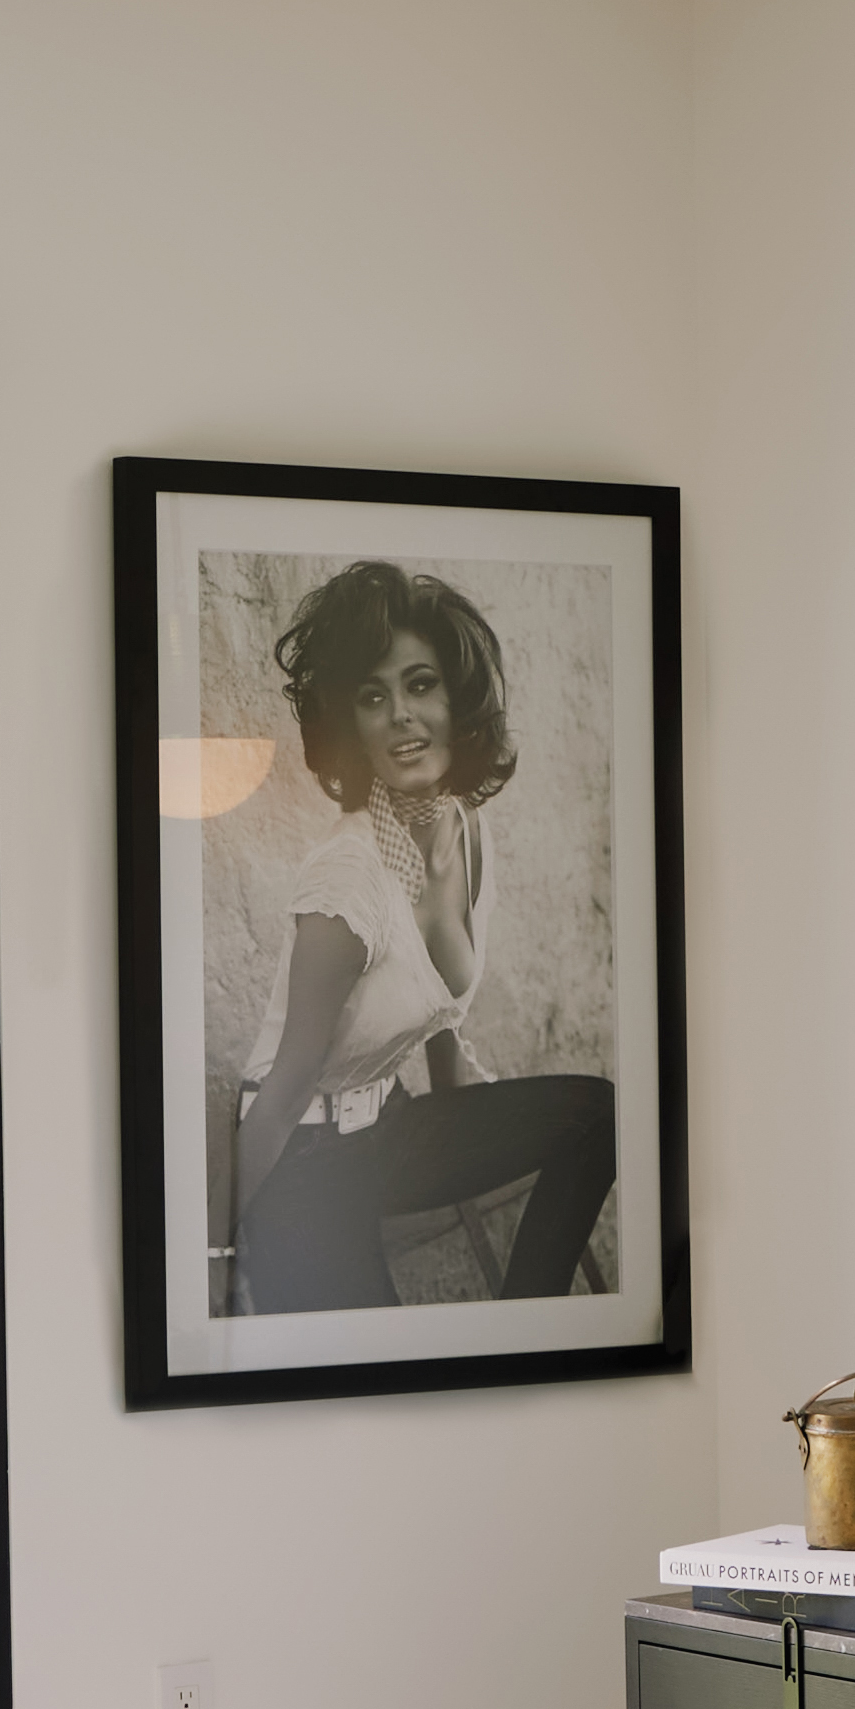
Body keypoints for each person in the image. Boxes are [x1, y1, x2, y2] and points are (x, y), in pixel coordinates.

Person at [224, 563, 618, 1313]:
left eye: (421, 683)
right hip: (302, 1161)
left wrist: (473, 1137)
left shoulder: (464, 828)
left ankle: (523, 1331)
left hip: (389, 1126)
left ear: (457, 697)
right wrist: (211, 1250)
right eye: (374, 696)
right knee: (383, 1379)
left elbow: (440, 1017)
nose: (402, 713)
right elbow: (285, 1089)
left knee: (596, 1115)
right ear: (352, 726)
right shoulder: (346, 881)